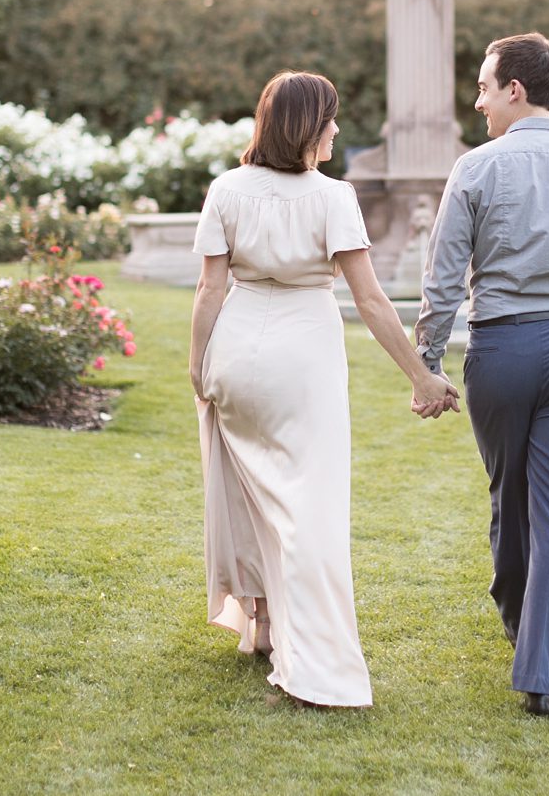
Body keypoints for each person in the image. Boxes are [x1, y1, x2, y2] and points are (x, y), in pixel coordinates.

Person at [189, 70, 460, 707]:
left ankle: (261, 630)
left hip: (236, 347)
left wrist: (199, 367)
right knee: (309, 510)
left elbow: (209, 290)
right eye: (331, 119)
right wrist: (421, 375)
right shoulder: (333, 197)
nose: (337, 129)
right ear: (308, 127)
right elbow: (367, 298)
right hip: (302, 358)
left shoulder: (227, 188)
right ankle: (314, 658)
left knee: (249, 492)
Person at [414, 31, 549, 718]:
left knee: (511, 498)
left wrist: (428, 360)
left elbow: (444, 275)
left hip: (503, 349)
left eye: (483, 86)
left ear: (515, 88)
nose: (477, 101)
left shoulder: (475, 170)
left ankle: (518, 621)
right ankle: (541, 672)